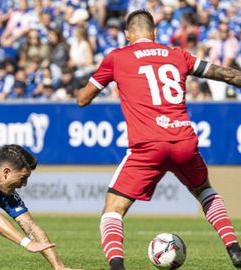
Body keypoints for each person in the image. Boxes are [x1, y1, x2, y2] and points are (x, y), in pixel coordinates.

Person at [76, 10, 241, 270]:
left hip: (148, 146)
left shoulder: (117, 57)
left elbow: (82, 99)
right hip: (183, 141)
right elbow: (227, 75)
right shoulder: (178, 55)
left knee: (113, 209)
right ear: (154, 33)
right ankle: (234, 249)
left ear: (127, 35)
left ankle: (117, 267)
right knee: (205, 191)